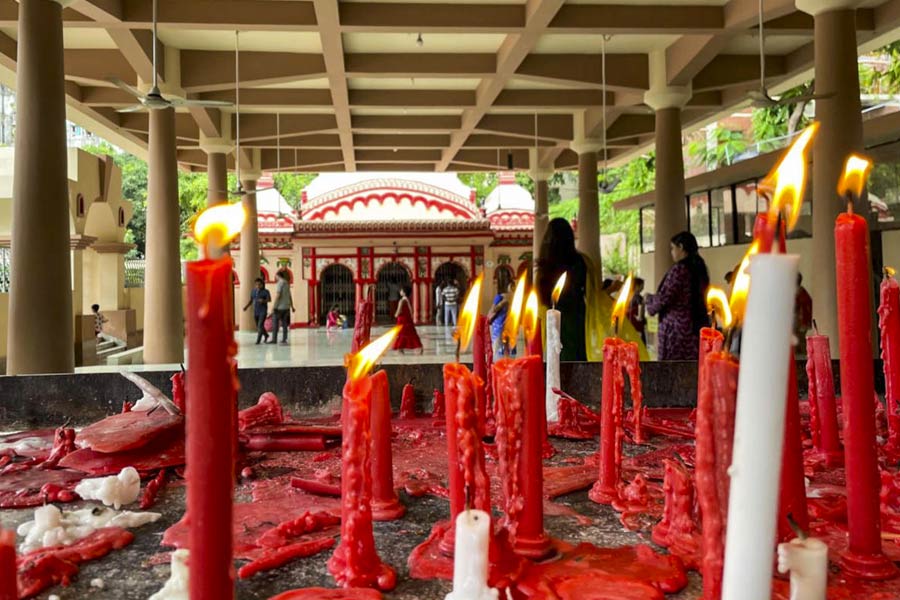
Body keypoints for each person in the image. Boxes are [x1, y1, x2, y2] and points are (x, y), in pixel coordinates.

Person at [646, 231, 710, 360]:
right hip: (694, 326)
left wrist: (649, 300)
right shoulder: (699, 267)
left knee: (673, 370)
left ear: (681, 247)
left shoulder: (680, 270)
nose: (671, 253)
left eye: (673, 248)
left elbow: (665, 297)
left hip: (676, 332)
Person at [536, 218, 588, 361]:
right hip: (575, 316)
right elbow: (586, 289)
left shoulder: (544, 263)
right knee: (574, 354)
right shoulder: (578, 261)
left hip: (550, 314)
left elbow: (539, 293)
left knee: (554, 355)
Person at [487, 280, 514, 359]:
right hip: (499, 325)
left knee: (508, 348)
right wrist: (502, 303)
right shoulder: (500, 297)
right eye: (512, 287)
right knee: (497, 346)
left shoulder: (515, 299)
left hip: (509, 325)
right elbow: (493, 310)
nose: (513, 289)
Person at [268, 269, 294, 345]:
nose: (275, 278)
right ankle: (284, 339)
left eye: (276, 276)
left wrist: (273, 307)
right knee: (285, 324)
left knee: (275, 323)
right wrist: (292, 306)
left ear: (278, 276)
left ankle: (274, 339)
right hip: (286, 307)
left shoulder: (280, 283)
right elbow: (289, 296)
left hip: (279, 307)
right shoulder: (287, 283)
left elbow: (278, 295)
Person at [393, 287, 423, 353]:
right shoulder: (408, 300)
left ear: (404, 292)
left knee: (401, 334)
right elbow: (411, 311)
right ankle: (419, 347)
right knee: (411, 333)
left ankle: (401, 347)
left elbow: (399, 310)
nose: (400, 292)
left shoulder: (402, 301)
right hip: (408, 319)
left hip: (402, 319)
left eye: (401, 290)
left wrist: (395, 315)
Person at [242, 278, 271, 344]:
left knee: (260, 325)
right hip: (256, 311)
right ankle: (266, 335)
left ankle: (258, 340)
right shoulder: (253, 291)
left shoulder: (266, 291)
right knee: (258, 326)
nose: (258, 286)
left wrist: (263, 301)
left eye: (259, 284)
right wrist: (246, 307)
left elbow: (269, 299)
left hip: (263, 311)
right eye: (256, 284)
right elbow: (251, 300)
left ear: (262, 285)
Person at [794, 272, 813, 351]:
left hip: (799, 321)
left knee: (798, 340)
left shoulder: (798, 291)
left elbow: (796, 305)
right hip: (799, 320)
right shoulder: (800, 291)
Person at [628, 277, 647, 346]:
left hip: (630, 324)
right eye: (642, 285)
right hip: (637, 324)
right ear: (637, 286)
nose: (643, 288)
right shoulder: (638, 297)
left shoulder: (628, 296)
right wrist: (642, 319)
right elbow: (640, 311)